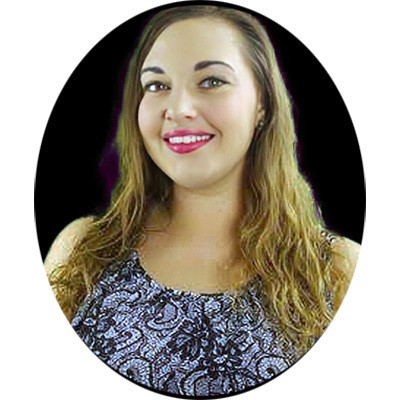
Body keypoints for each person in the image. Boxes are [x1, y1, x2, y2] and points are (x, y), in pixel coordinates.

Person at [44, 4, 360, 397]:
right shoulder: (81, 250)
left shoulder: (337, 269)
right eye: (157, 86)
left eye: (211, 81)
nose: (177, 110)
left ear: (262, 105)